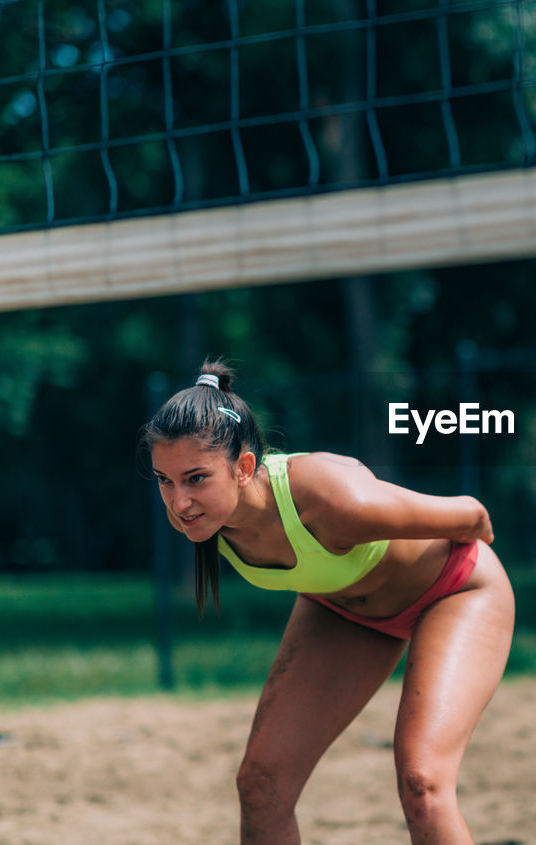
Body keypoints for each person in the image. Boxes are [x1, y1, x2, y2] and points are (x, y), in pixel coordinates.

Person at [141, 361, 515, 845]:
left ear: (244, 468)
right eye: (164, 481)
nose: (179, 502)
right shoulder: (208, 520)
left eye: (195, 478)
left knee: (423, 784)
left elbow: (472, 516)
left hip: (456, 589)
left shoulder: (331, 500)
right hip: (345, 611)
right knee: (261, 787)